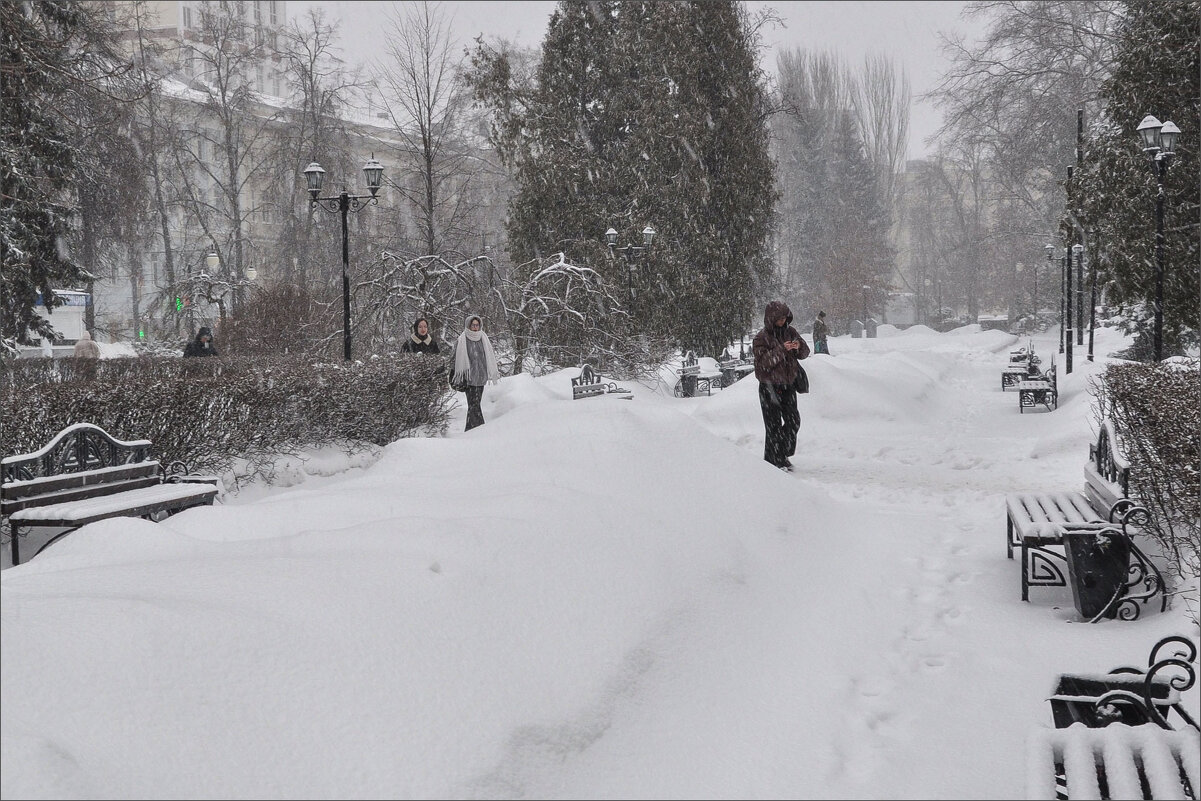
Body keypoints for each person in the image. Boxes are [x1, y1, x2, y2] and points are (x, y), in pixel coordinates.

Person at [753, 300, 810, 472]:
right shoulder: (761, 338)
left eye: (785, 318)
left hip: (788, 385)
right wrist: (782, 349)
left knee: (793, 421)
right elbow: (763, 363)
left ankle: (781, 454)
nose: (782, 321)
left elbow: (805, 353)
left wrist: (798, 346)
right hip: (769, 386)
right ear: (771, 319)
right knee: (773, 426)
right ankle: (774, 461)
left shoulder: (790, 332)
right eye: (779, 318)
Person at [450, 314, 500, 431]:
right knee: (473, 405)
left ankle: (472, 430)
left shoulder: (484, 338)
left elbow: (488, 357)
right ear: (468, 325)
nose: (475, 327)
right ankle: (479, 429)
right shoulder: (462, 340)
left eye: (477, 325)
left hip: (481, 377)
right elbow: (454, 358)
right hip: (468, 378)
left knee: (475, 405)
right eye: (473, 325)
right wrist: (456, 374)